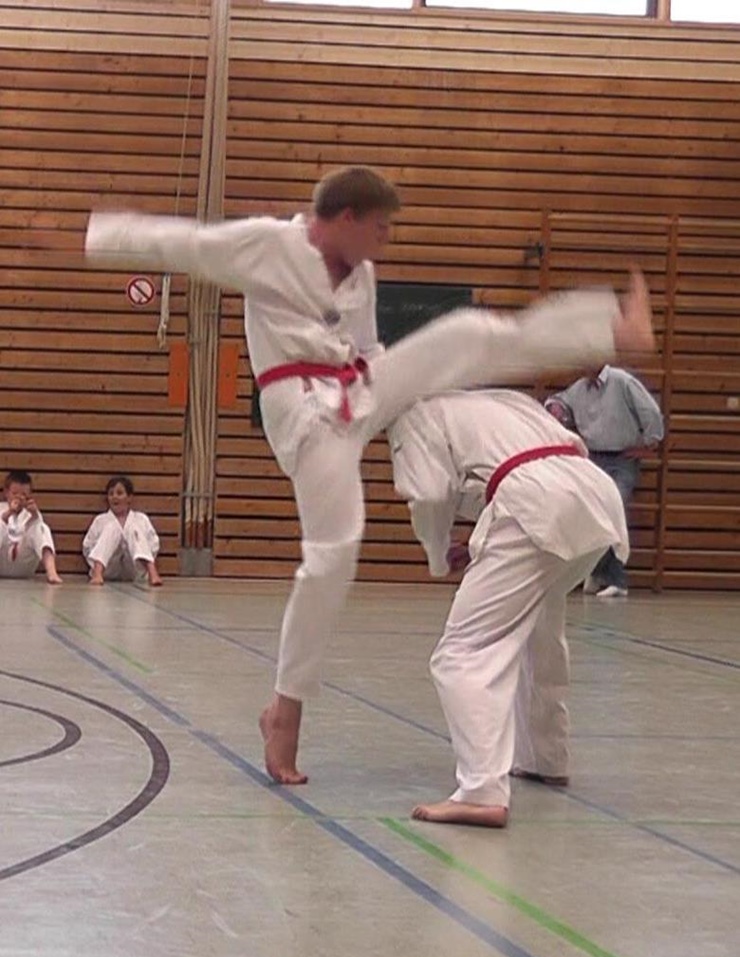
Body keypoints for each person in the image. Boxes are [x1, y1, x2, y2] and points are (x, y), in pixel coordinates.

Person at [85, 164, 654, 785]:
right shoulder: (267, 245)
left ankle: (608, 327)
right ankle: (285, 711)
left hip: (360, 387)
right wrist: (92, 237)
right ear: (346, 218)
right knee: (335, 553)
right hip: (304, 412)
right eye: (379, 228)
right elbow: (181, 244)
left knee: (465, 333)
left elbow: (368, 348)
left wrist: (407, 383)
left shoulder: (362, 274)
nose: (385, 240)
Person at [388, 388, 629, 827]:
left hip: (537, 503)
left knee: (463, 652)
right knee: (540, 626)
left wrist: (438, 555)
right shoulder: (493, 400)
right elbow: (544, 454)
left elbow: (429, 496)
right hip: (593, 494)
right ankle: (544, 757)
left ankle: (481, 790)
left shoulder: (411, 417)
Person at [548, 366, 664, 597]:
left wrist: (649, 443)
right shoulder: (579, 387)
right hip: (592, 458)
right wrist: (555, 408)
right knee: (590, 514)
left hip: (621, 459)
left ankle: (615, 579)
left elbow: (650, 411)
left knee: (613, 510)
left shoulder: (623, 382)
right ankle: (597, 572)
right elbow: (560, 401)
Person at [82, 475, 162, 586]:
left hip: (134, 567)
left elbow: (153, 543)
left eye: (119, 493)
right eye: (111, 494)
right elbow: (88, 546)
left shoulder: (141, 519)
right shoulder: (100, 520)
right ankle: (97, 573)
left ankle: (152, 572)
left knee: (133, 528)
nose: (114, 497)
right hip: (108, 567)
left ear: (129, 498)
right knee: (112, 528)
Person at [0, 470, 62, 583]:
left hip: (24, 564)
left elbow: (40, 534)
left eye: (23, 494)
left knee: (41, 527)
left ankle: (52, 573)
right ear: (6, 493)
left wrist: (34, 515)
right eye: (14, 493)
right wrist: (9, 513)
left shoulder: (31, 513)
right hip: (2, 561)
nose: (18, 498)